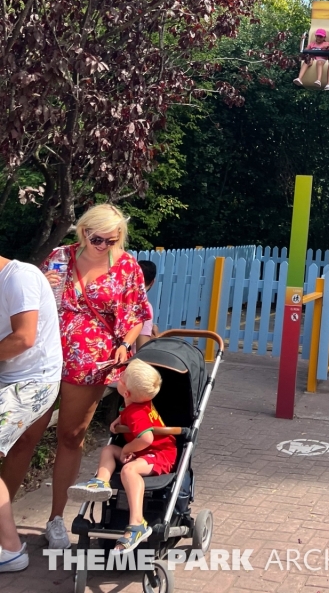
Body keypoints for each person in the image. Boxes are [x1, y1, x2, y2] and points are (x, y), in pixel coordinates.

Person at [2, 203, 151, 550]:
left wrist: (125, 344)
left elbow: (136, 314)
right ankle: (3, 519)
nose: (104, 246)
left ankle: (55, 519)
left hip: (91, 360)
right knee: (24, 437)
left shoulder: (126, 265)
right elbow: (30, 302)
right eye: (98, 239)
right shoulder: (57, 257)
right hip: (44, 356)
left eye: (112, 240)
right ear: (83, 231)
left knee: (71, 436)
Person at [68, 358, 177, 552]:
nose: (119, 378)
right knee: (108, 450)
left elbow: (146, 439)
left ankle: (137, 523)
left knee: (129, 470)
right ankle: (101, 482)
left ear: (126, 392)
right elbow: (130, 411)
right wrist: (120, 419)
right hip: (142, 451)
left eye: (122, 378)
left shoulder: (136, 413)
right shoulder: (134, 402)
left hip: (159, 454)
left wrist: (127, 449)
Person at [0, 254, 62, 572]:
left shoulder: (18, 277)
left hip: (34, 381)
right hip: (10, 378)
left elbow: (24, 338)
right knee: (17, 450)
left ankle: (9, 548)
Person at [135, 260, 159, 351]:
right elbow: (141, 349)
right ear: (153, 282)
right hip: (127, 362)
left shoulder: (116, 300)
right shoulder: (144, 306)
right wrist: (155, 338)